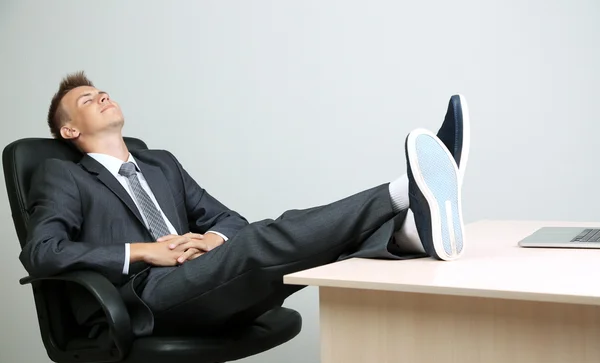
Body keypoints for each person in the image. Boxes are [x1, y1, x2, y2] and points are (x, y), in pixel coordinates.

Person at [20, 72, 468, 336]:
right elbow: (42, 253)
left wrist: (211, 241)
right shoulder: (62, 174)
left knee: (304, 257)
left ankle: (406, 234)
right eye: (86, 100)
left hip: (197, 280)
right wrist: (145, 252)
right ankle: (405, 193)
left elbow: (227, 220)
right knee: (267, 238)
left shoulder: (161, 164)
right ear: (69, 132)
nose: (101, 96)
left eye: (102, 92)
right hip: (140, 299)